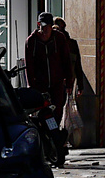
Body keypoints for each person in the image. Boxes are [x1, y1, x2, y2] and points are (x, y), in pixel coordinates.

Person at [23, 12, 74, 160]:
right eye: (43, 27)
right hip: (41, 85)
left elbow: (66, 61)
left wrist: (69, 81)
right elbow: (29, 66)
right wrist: (32, 87)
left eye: (48, 27)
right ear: (38, 25)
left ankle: (56, 141)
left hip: (57, 84)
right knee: (43, 115)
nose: (45, 31)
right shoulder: (31, 42)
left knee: (57, 112)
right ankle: (51, 142)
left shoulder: (59, 39)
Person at [52, 17, 87, 96]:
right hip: (70, 81)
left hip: (56, 81)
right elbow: (78, 66)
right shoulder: (72, 43)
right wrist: (80, 86)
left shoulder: (53, 42)